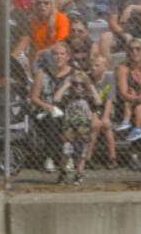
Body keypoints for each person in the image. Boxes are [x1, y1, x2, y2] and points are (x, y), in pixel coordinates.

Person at [30, 41, 99, 185]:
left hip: (69, 109)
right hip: (47, 108)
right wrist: (46, 106)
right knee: (52, 121)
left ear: (68, 56)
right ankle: (50, 156)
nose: (59, 57)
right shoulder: (42, 73)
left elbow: (88, 94)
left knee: (75, 121)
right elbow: (34, 97)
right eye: (56, 54)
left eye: (62, 54)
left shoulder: (74, 74)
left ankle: (71, 158)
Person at [12, 0, 70, 67]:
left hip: (54, 55)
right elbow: (32, 45)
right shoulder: (34, 21)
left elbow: (60, 44)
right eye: (39, 3)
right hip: (38, 57)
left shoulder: (61, 18)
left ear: (52, 4)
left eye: (46, 3)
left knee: (49, 54)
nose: (42, 6)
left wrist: (41, 53)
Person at [85, 52, 118, 167]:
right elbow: (87, 101)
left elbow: (110, 99)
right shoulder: (87, 79)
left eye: (97, 65)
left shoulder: (109, 78)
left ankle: (112, 158)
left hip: (106, 109)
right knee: (95, 126)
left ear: (105, 67)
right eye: (92, 66)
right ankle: (87, 158)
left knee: (107, 127)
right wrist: (94, 116)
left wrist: (105, 117)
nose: (93, 68)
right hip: (90, 109)